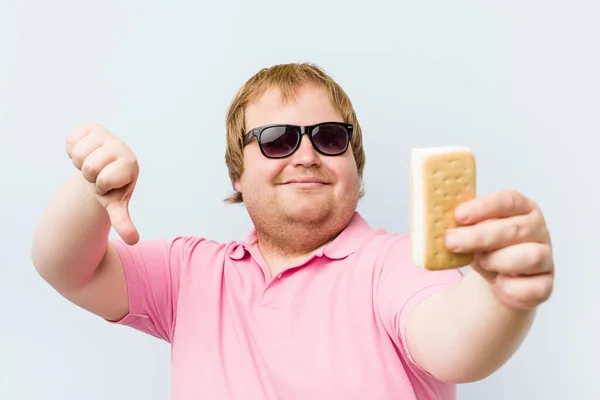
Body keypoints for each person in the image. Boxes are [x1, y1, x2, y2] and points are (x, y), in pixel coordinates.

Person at [31, 63, 555, 400]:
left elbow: (455, 345)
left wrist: (501, 297)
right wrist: (90, 188)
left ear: (355, 163)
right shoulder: (189, 273)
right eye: (278, 139)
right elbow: (66, 268)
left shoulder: (397, 265)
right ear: (238, 172)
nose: (306, 154)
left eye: (329, 137)